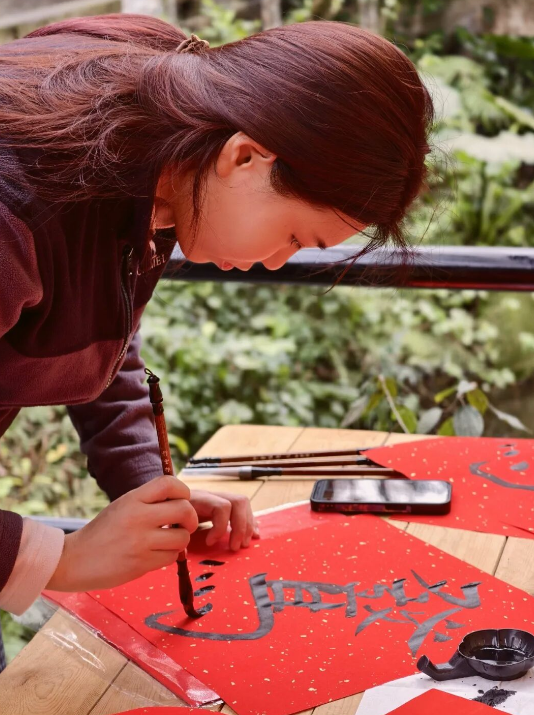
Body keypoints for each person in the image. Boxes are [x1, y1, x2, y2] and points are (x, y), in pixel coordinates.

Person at [0, 14, 433, 669]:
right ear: (244, 156)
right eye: (295, 237)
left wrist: (149, 490)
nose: (277, 261)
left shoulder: (172, 115)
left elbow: (98, 314)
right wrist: (56, 557)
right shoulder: (15, 214)